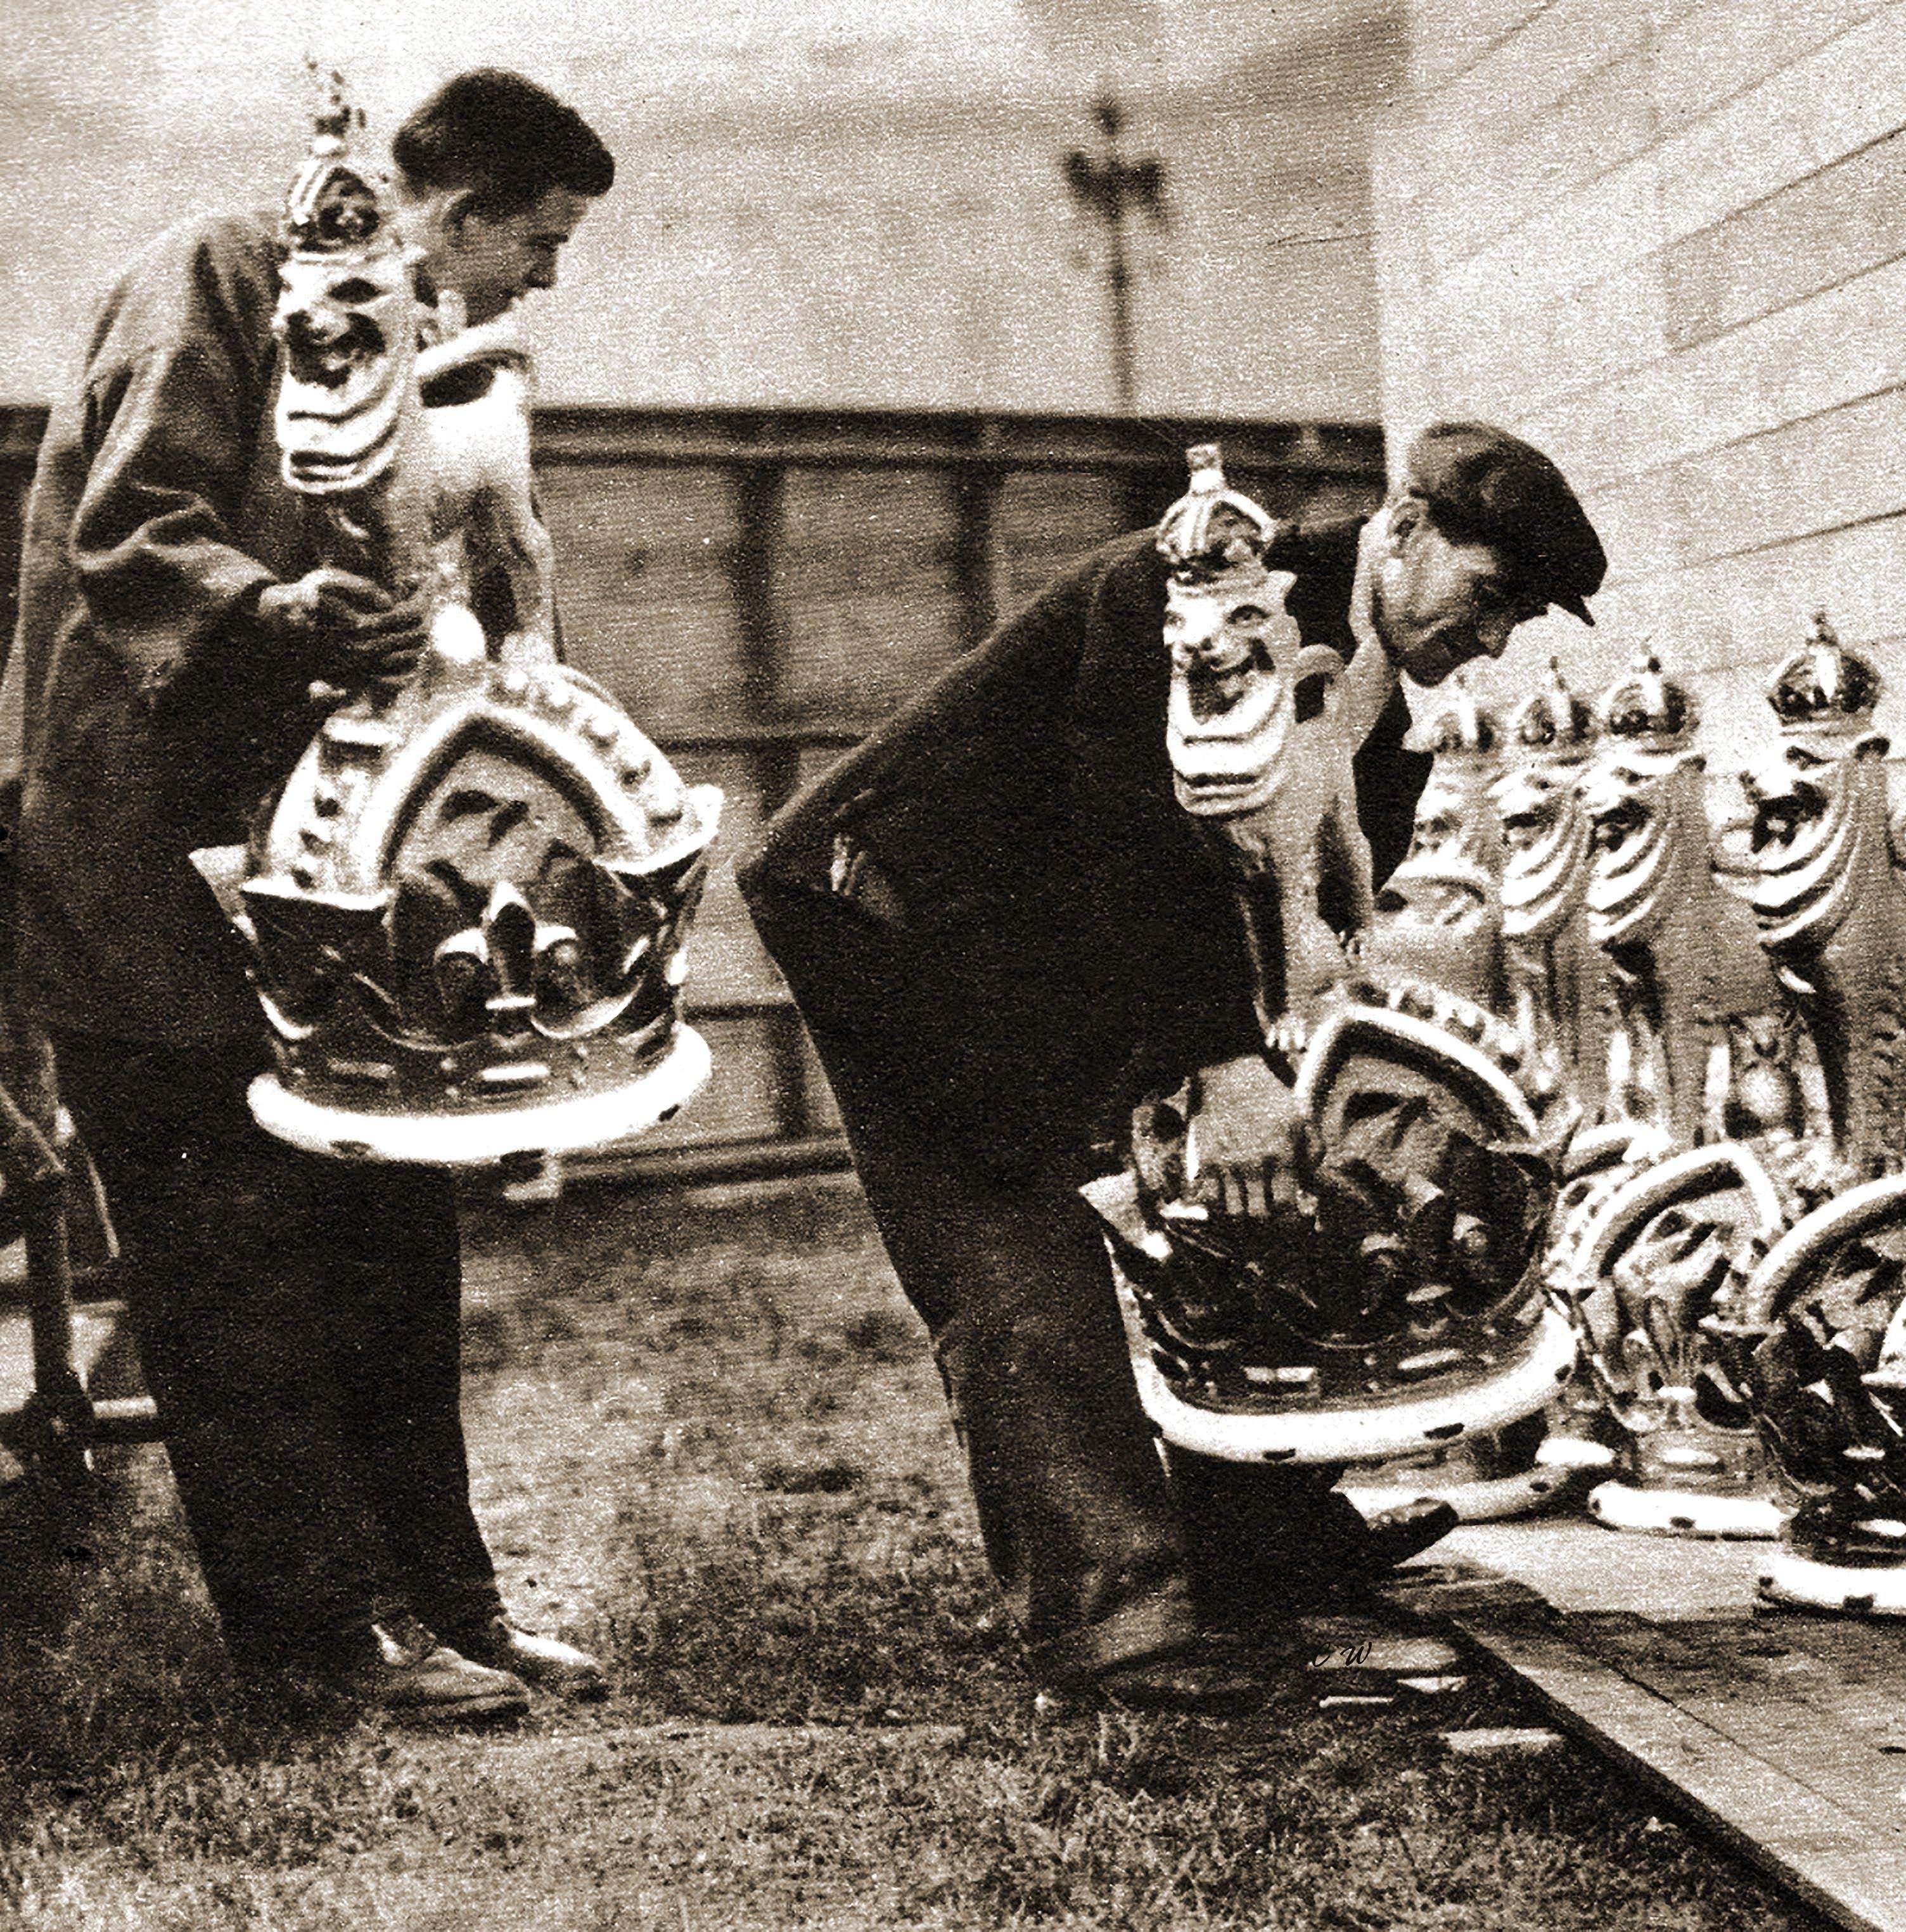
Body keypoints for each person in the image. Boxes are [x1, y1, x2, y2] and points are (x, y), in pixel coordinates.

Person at [741, 423, 1608, 1710]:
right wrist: (1218, 1064)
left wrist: (1276, 1069)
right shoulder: (1193, 589)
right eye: (1492, 600)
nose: (1493, 641)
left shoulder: (1365, 685)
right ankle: (1117, 1634)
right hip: (898, 921)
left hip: (1057, 947)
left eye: (1521, 619)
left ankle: (1261, 1547)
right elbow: (1131, 830)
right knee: (1019, 1251)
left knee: (1238, 1206)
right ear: (1407, 531)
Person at [8, 69, 618, 1722]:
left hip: (315, 886)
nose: (541, 283)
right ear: (463, 206)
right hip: (140, 882)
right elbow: (136, 533)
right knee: (232, 1277)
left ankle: (450, 1602)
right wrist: (277, 614)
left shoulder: (423, 356)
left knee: (388, 1241)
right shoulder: (215, 273)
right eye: (540, 247)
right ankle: (313, 1646)